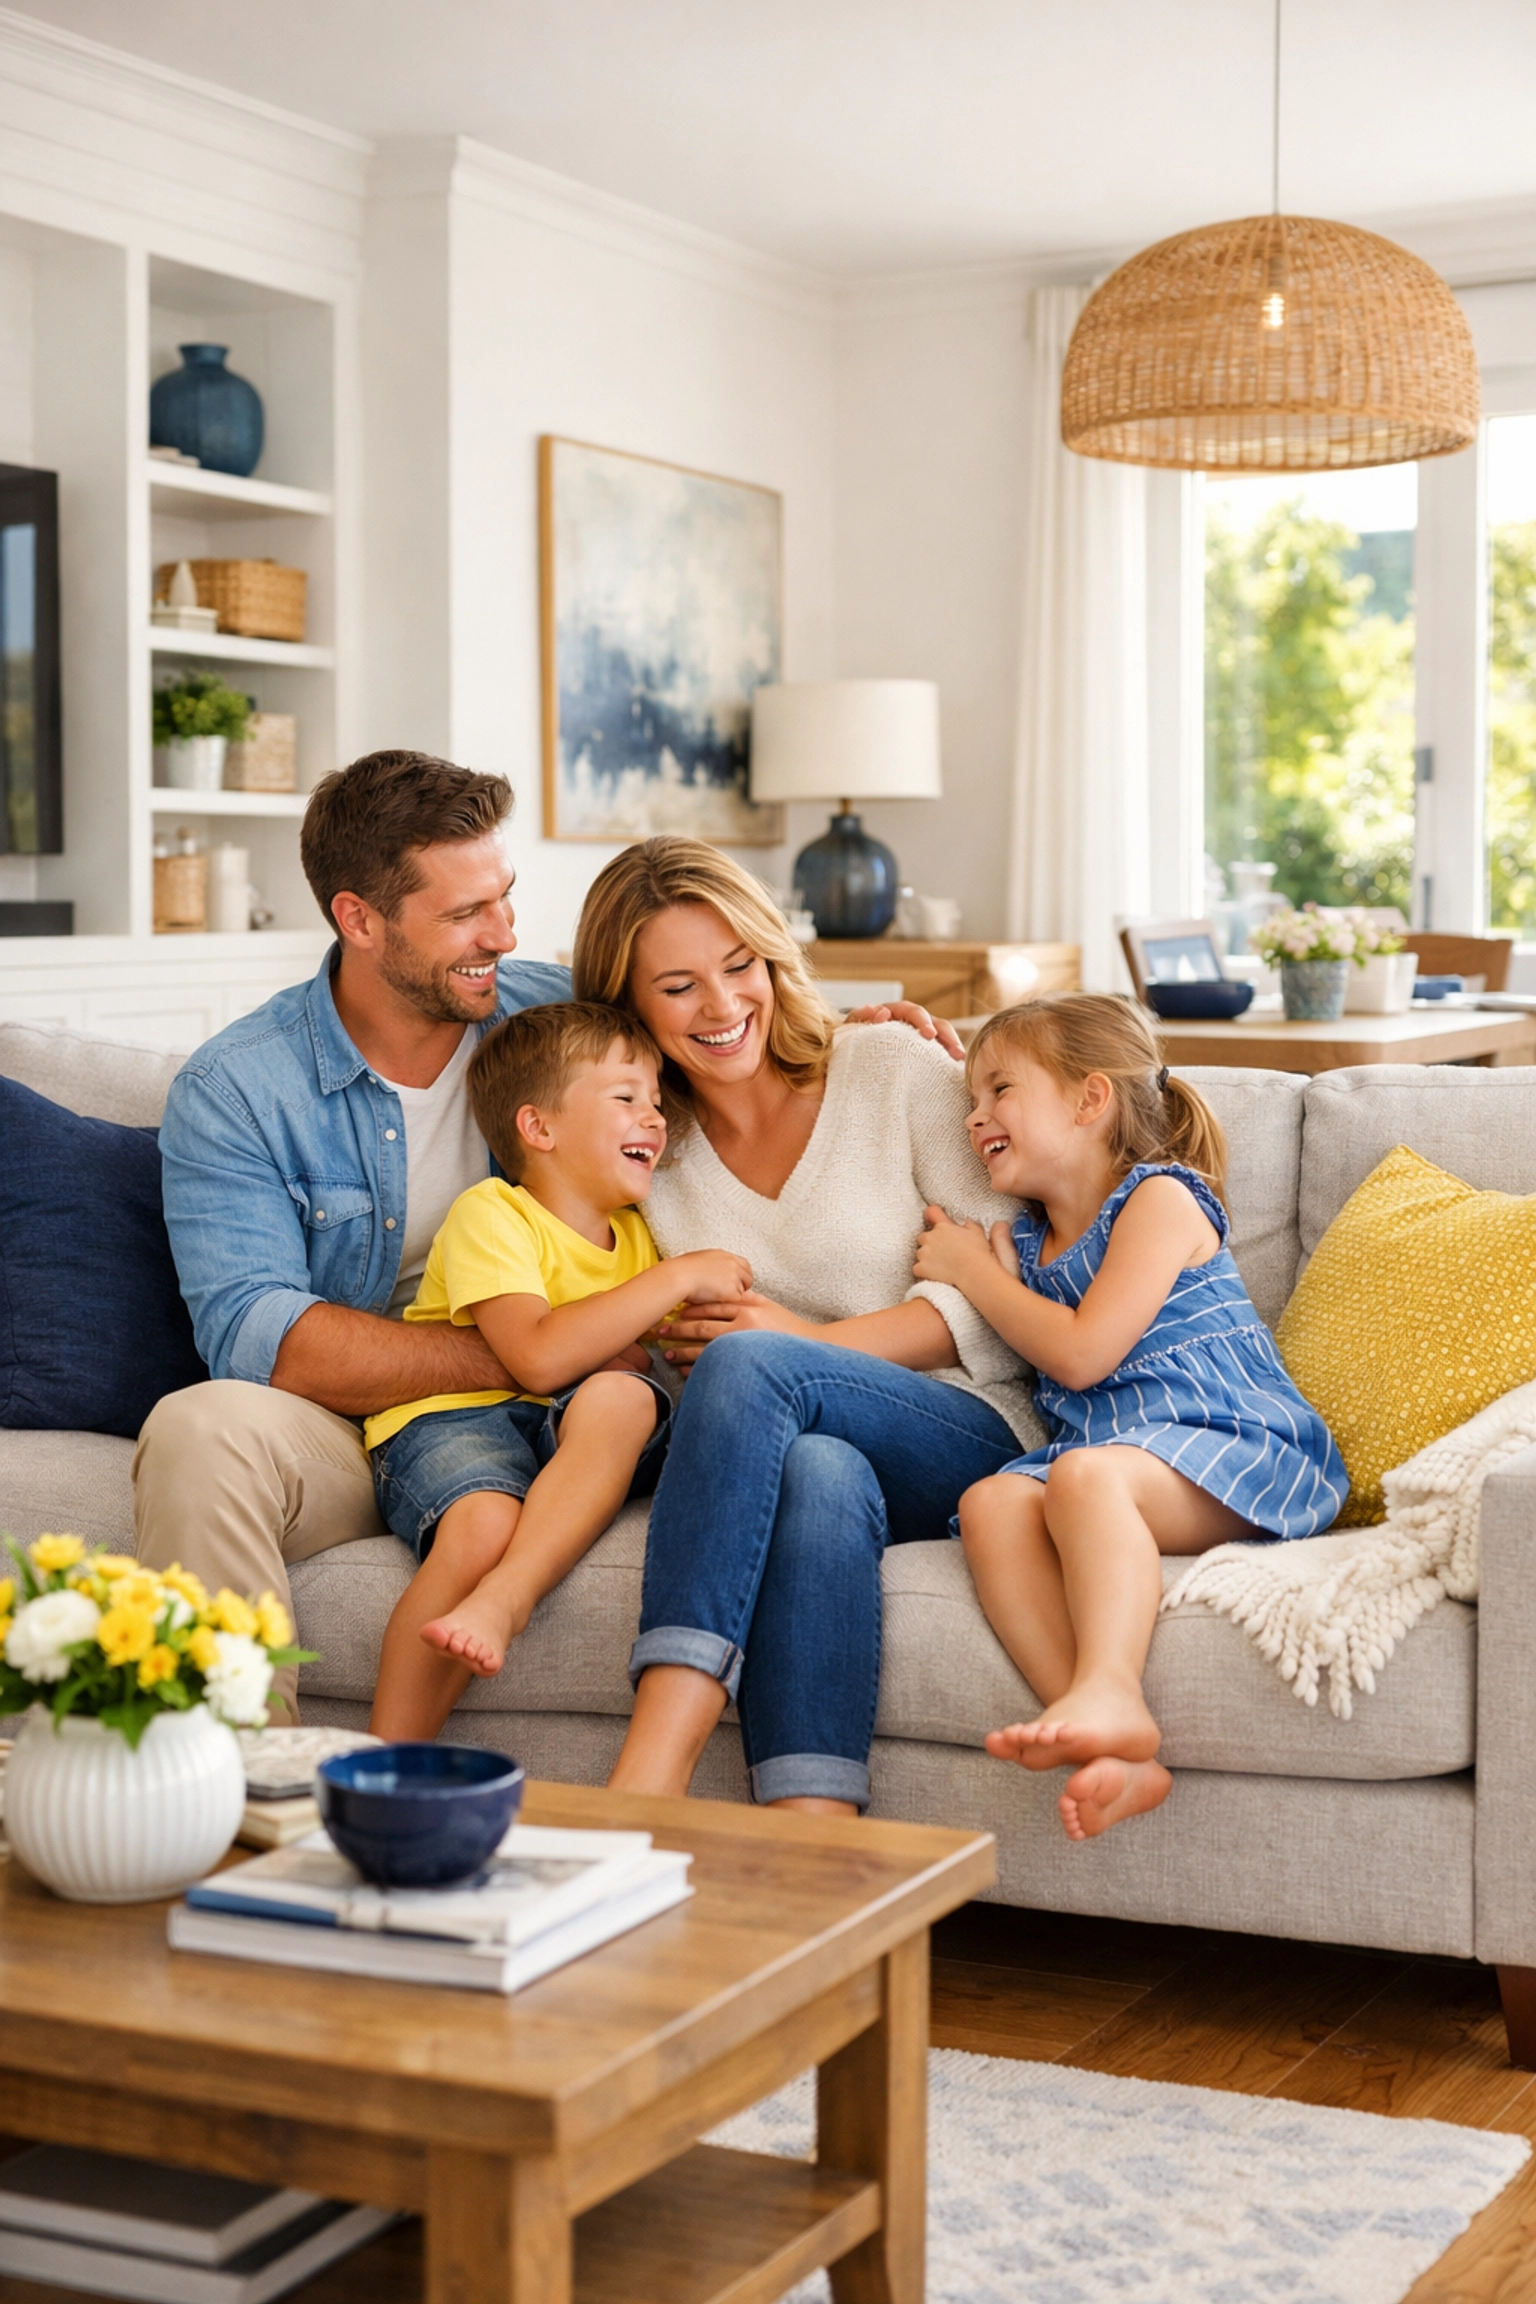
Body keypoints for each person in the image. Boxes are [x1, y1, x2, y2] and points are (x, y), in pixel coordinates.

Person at [134, 750, 953, 1722]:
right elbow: (263, 1338)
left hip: (575, 1401)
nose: (505, 933)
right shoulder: (237, 1091)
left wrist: (851, 1033)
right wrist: (533, 1352)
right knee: (199, 1428)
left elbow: (712, 1016)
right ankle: (236, 1796)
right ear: (359, 919)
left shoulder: (549, 1014)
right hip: (361, 1420)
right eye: (465, 914)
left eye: (506, 898)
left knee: (616, 1408)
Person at [572, 837, 1041, 1817]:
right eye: (678, 985)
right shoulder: (644, 1155)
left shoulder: (889, 1067)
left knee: (755, 1364)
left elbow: (999, 1298)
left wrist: (790, 1347)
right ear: (630, 1006)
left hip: (967, 1433)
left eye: (741, 965)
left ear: (774, 956)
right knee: (816, 1471)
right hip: (802, 1454)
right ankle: (811, 1833)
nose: (724, 1004)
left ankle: (645, 1777)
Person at [912, 993, 1347, 1841]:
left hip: (1237, 1443)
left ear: (1091, 1098)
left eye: (999, 1089)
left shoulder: (1161, 1200)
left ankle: (1113, 1687)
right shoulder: (1030, 1248)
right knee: (992, 1503)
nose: (975, 1117)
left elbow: (1080, 1354)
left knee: (1082, 1474)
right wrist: (997, 1274)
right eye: (970, 1099)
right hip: (1123, 1461)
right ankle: (1106, 1745)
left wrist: (976, 1275)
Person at [366, 1001, 752, 1741]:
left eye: (657, 1101)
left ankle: (507, 1598)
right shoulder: (494, 1214)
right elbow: (536, 1356)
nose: (655, 1117)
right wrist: (672, 1284)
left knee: (622, 1396)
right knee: (482, 1524)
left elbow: (643, 1363)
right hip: (454, 1415)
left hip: (573, 1434)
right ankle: (385, 1765)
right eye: (626, 1098)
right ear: (538, 1128)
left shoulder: (639, 1237)